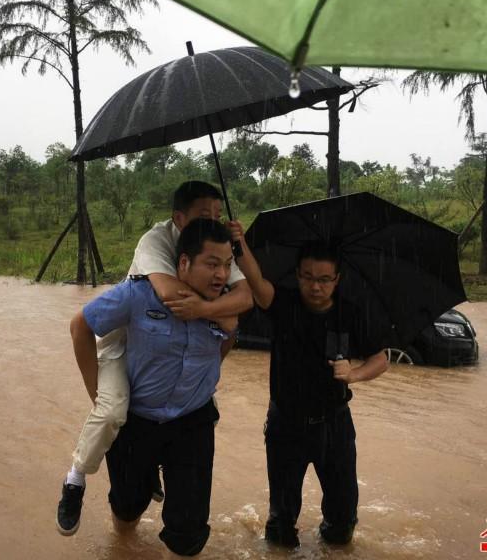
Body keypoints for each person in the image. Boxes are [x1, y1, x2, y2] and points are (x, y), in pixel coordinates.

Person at [56, 182, 251, 536]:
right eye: (212, 265)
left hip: (192, 420)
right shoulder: (145, 273)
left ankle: (158, 480)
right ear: (184, 258)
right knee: (128, 508)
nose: (222, 274)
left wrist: (213, 316)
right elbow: (83, 325)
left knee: (189, 531)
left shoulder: (222, 289)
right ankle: (77, 480)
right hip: (138, 417)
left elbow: (240, 312)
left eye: (226, 266)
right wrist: (96, 394)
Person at [229, 222, 389, 548]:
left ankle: (330, 546)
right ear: (298, 275)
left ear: (337, 279)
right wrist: (239, 242)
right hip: (286, 424)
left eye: (324, 279)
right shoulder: (283, 305)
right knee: (281, 520)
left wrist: (354, 373)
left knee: (344, 519)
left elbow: (382, 358)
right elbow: (256, 281)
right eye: (308, 277)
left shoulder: (351, 313)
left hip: (335, 423)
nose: (315, 287)